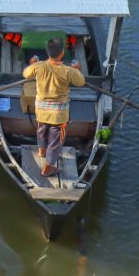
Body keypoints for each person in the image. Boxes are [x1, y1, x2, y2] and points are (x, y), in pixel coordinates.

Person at [22, 37, 85, 177]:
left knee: (42, 130)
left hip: (41, 110)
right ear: (62, 53)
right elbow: (81, 82)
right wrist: (77, 70)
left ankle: (42, 151)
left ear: (47, 52)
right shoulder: (69, 71)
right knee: (55, 141)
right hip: (58, 114)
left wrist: (32, 63)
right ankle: (48, 167)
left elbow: (25, 74)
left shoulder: (38, 66)